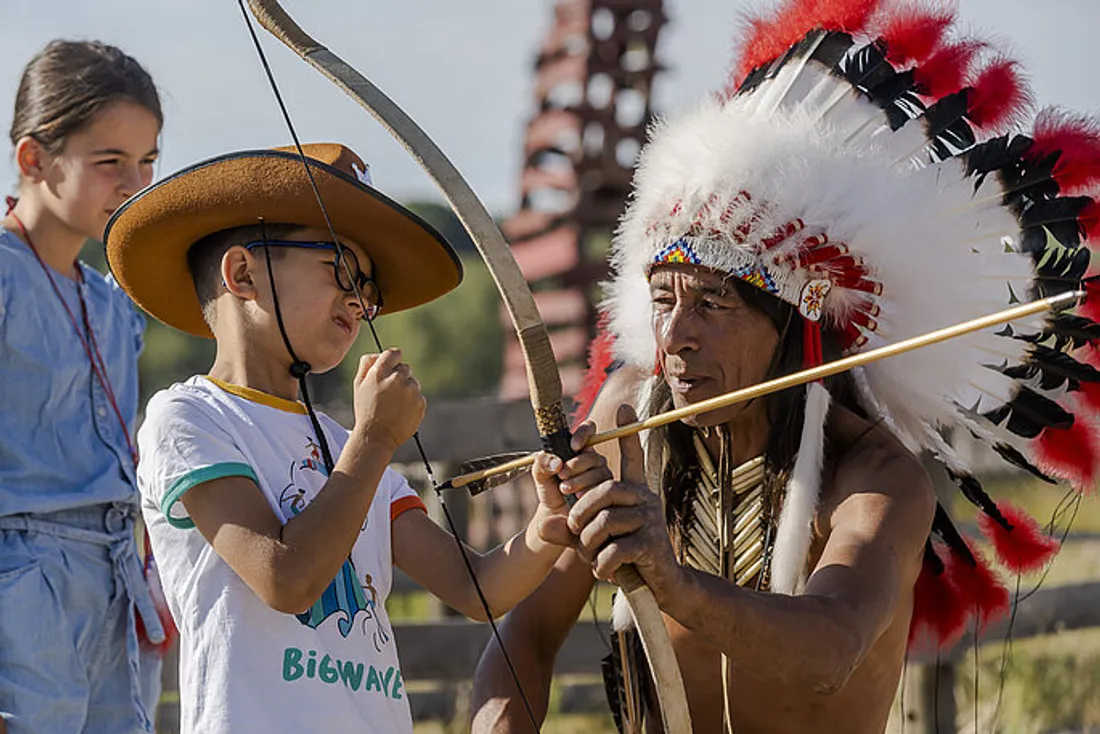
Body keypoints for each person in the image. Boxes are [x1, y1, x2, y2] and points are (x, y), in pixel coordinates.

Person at [472, 1, 1100, 731]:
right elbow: (525, 630)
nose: (673, 336)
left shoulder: (874, 476)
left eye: (712, 303)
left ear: (792, 328)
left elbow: (829, 650)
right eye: (663, 300)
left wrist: (672, 581)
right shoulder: (629, 422)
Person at [104, 142, 612, 733]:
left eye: (367, 291)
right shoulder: (190, 417)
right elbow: (285, 578)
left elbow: (480, 589)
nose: (359, 302)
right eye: (340, 271)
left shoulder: (356, 451)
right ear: (243, 273)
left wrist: (548, 525)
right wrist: (373, 439)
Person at [0, 40, 168, 734]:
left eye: (148, 162)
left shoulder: (110, 302)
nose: (133, 183)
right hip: (20, 578)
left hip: (110, 574)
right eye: (110, 163)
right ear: (34, 159)